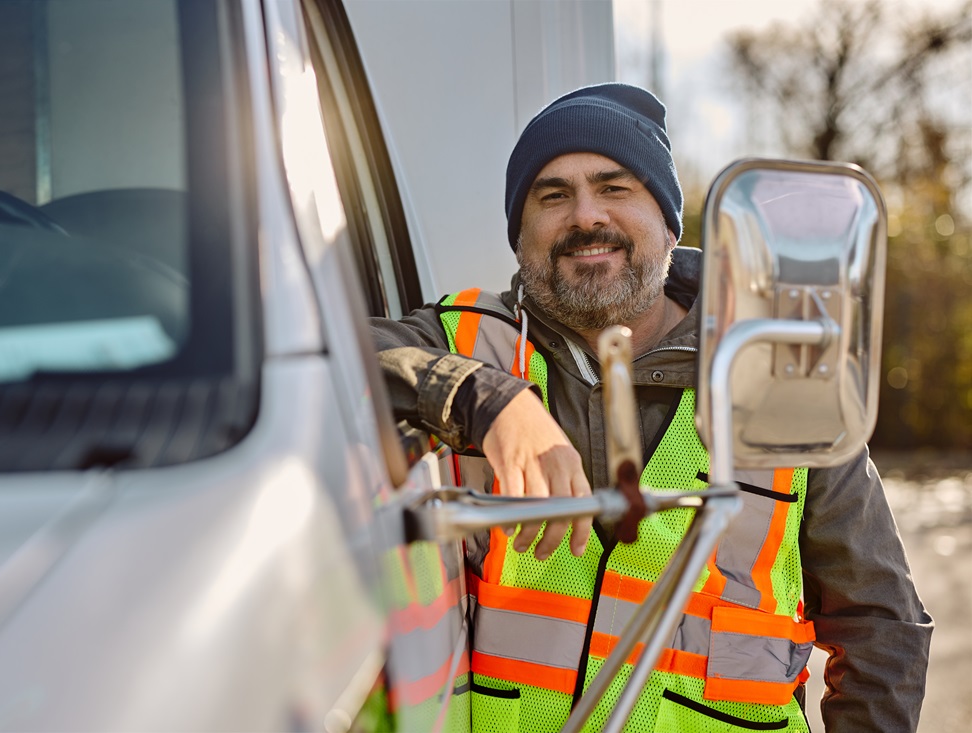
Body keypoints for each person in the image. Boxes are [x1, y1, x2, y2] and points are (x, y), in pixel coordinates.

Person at [370, 83, 932, 732]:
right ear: (519, 235)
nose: (586, 216)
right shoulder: (474, 340)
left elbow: (882, 624)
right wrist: (480, 396)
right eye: (552, 194)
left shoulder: (779, 370)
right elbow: (332, 358)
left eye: (615, 187)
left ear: (669, 221)